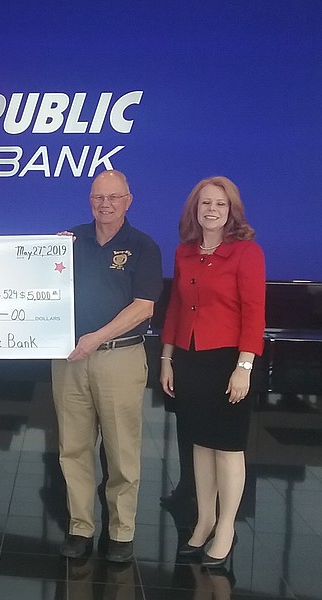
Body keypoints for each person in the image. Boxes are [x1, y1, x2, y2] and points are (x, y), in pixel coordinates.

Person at [52, 169, 163, 563]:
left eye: (114, 197)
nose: (105, 204)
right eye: (99, 196)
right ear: (90, 199)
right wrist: (43, 254)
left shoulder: (143, 246)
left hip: (119, 358)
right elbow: (38, 282)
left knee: (121, 451)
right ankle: (80, 527)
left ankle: (122, 531)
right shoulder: (69, 240)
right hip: (68, 361)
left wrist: (95, 338)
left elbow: (144, 307)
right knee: (73, 448)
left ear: (128, 201)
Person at [160, 176, 265, 568]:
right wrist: (166, 358)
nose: (212, 210)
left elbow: (254, 313)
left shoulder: (246, 253)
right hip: (189, 360)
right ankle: (203, 521)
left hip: (228, 362)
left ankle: (226, 528)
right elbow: (173, 309)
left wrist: (244, 367)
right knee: (199, 445)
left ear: (231, 210)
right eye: (205, 203)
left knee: (228, 447)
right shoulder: (184, 252)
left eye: (220, 204)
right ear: (195, 209)